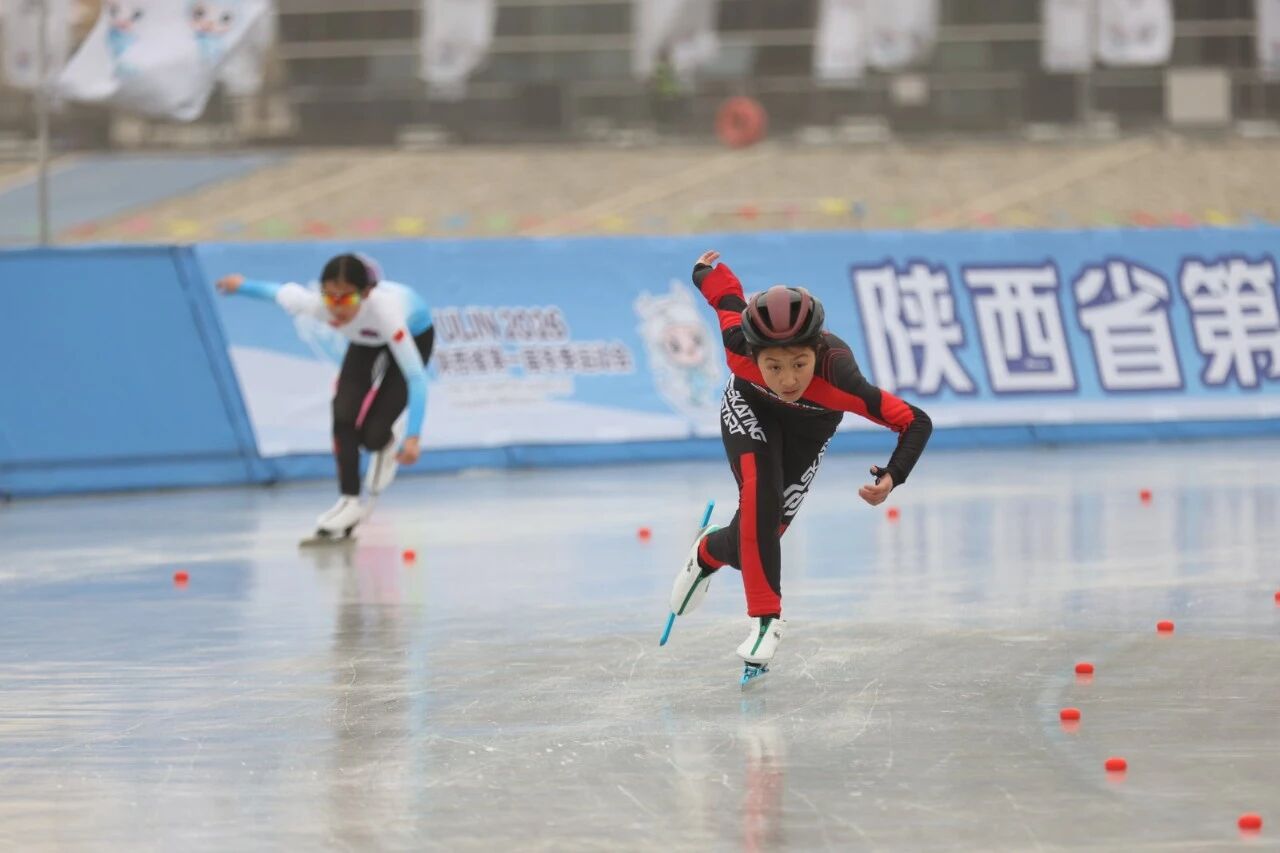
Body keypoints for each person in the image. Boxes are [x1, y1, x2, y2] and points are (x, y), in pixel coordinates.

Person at [669, 250, 932, 683]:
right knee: (760, 496)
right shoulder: (738, 348)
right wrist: (706, 271)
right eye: (773, 366)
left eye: (799, 364)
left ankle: (708, 551)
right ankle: (766, 621)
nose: (788, 379)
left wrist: (893, 475)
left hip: (810, 429)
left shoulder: (840, 377)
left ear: (817, 350)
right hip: (750, 406)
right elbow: (726, 300)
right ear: (755, 355)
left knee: (759, 540)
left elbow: (915, 421)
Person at [216, 253, 433, 540]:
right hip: (363, 341)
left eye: (347, 298)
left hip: (413, 334)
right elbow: (277, 292)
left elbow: (416, 378)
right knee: (343, 414)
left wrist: (413, 437)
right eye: (330, 297)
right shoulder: (315, 304)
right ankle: (349, 501)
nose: (337, 307)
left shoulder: (386, 313)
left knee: (372, 437)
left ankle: (387, 439)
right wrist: (240, 285)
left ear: (366, 293)